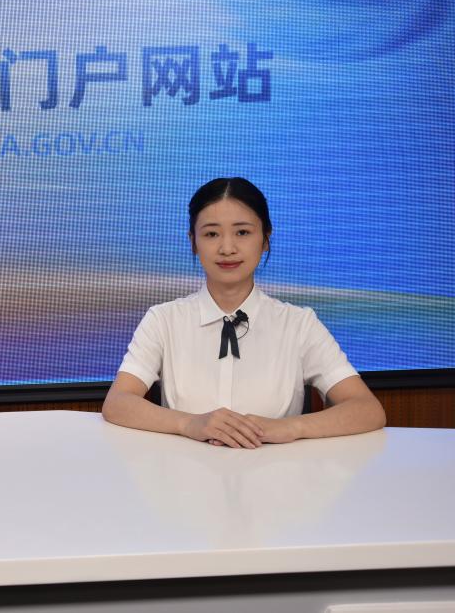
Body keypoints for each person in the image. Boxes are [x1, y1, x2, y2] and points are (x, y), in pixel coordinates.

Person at [102, 177, 385, 448]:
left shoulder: (299, 324)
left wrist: (290, 428)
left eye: (243, 232)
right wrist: (189, 424)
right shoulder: (163, 320)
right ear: (193, 242)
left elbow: (367, 409)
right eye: (211, 234)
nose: (227, 248)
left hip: (278, 476)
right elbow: (117, 403)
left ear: (265, 239)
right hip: (183, 477)